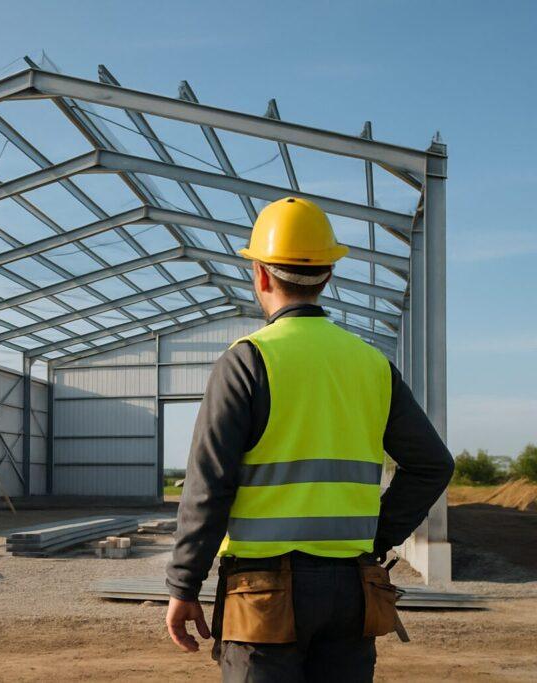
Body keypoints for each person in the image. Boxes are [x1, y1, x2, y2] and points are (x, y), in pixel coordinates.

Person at [164, 197, 454, 682]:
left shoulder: (247, 361)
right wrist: (377, 538)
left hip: (262, 594)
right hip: (351, 590)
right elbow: (432, 464)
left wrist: (183, 584)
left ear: (260, 274)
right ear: (328, 275)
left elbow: (209, 485)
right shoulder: (372, 365)